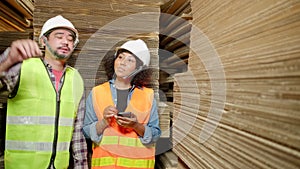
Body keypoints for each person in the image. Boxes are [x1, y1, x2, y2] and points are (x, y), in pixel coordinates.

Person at [0, 15, 88, 169]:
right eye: (59, 36)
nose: (66, 41)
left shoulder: (76, 79)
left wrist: (81, 165)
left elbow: (77, 131)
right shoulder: (22, 68)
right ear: (43, 41)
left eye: (70, 38)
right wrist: (8, 60)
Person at [83, 39, 161, 169]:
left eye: (130, 60)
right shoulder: (97, 92)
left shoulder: (148, 96)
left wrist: (136, 126)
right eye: (120, 57)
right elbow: (86, 132)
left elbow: (155, 134)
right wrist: (104, 122)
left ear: (139, 68)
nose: (122, 63)